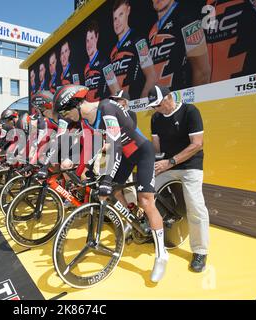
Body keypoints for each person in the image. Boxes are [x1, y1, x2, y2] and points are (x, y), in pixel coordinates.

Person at [53, 84, 169, 283]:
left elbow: (114, 143)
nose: (65, 117)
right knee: (113, 190)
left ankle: (161, 255)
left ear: (77, 104)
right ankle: (132, 220)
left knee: (146, 202)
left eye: (65, 112)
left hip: (142, 152)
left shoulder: (106, 107)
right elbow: (100, 146)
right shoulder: (88, 120)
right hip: (124, 154)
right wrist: (89, 167)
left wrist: (107, 178)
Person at [148, 85, 209, 272]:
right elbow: (157, 149)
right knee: (147, 194)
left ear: (168, 97)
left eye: (158, 104)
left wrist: (170, 162)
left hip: (190, 166)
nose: (156, 109)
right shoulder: (156, 118)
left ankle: (200, 251)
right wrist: (151, 164)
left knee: (195, 206)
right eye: (153, 106)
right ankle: (153, 232)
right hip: (166, 164)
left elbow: (197, 144)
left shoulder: (190, 111)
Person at [149, 0, 210, 90]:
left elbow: (202, 72)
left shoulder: (188, 20)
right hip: (159, 101)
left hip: (181, 100)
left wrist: (195, 100)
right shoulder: (152, 30)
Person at [110, 0, 156, 99]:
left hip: (134, 105)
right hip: (119, 107)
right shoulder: (112, 51)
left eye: (120, 15)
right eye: (115, 18)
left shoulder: (139, 40)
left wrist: (142, 102)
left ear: (128, 11)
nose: (117, 22)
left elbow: (151, 75)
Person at [84, 20, 111, 102]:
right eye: (87, 40)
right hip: (90, 113)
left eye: (91, 38)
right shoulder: (86, 68)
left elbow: (115, 90)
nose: (89, 44)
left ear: (97, 37)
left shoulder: (104, 62)